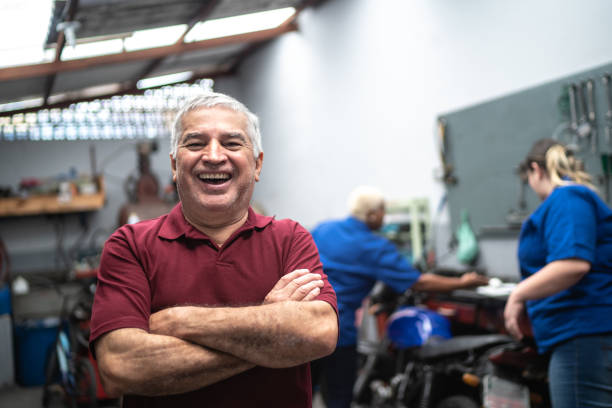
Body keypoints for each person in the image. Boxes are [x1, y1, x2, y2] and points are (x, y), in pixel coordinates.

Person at [89, 91, 339, 408]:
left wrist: (179, 321)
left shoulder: (289, 238)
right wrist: (273, 330)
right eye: (195, 143)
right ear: (175, 165)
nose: (214, 155)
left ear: (258, 164)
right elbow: (120, 367)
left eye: (232, 143)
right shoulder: (130, 245)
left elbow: (319, 333)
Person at [310, 186, 489, 408]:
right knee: (339, 397)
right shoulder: (375, 246)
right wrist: (463, 282)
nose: (384, 217)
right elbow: (418, 282)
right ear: (373, 214)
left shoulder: (323, 229)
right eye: (383, 211)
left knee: (303, 392)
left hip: (302, 322)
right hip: (337, 329)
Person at [504, 138, 612, 407]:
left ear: (535, 170)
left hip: (583, 333)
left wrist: (518, 295)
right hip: (583, 335)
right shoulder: (570, 199)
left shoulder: (567, 197)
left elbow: (572, 264)